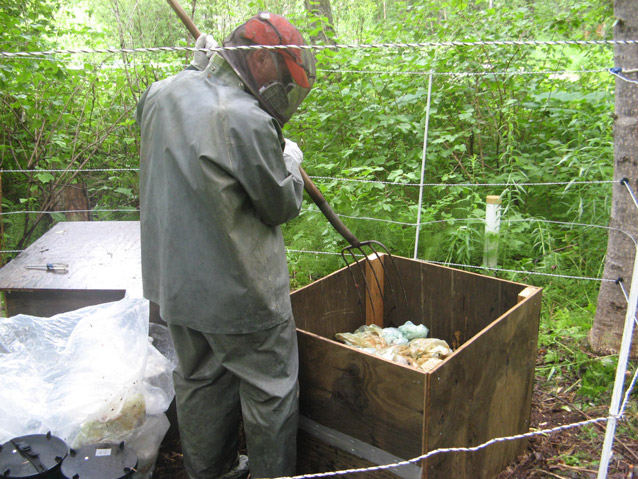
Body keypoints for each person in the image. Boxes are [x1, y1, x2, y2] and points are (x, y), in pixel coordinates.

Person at [136, 12, 316, 479]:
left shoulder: (161, 93)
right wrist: (290, 162)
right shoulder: (246, 119)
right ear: (258, 59)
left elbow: (172, 130)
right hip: (242, 296)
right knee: (271, 390)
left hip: (175, 286)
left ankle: (208, 473)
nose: (286, 92)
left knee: (198, 383)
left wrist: (195, 73)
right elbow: (279, 204)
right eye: (285, 78)